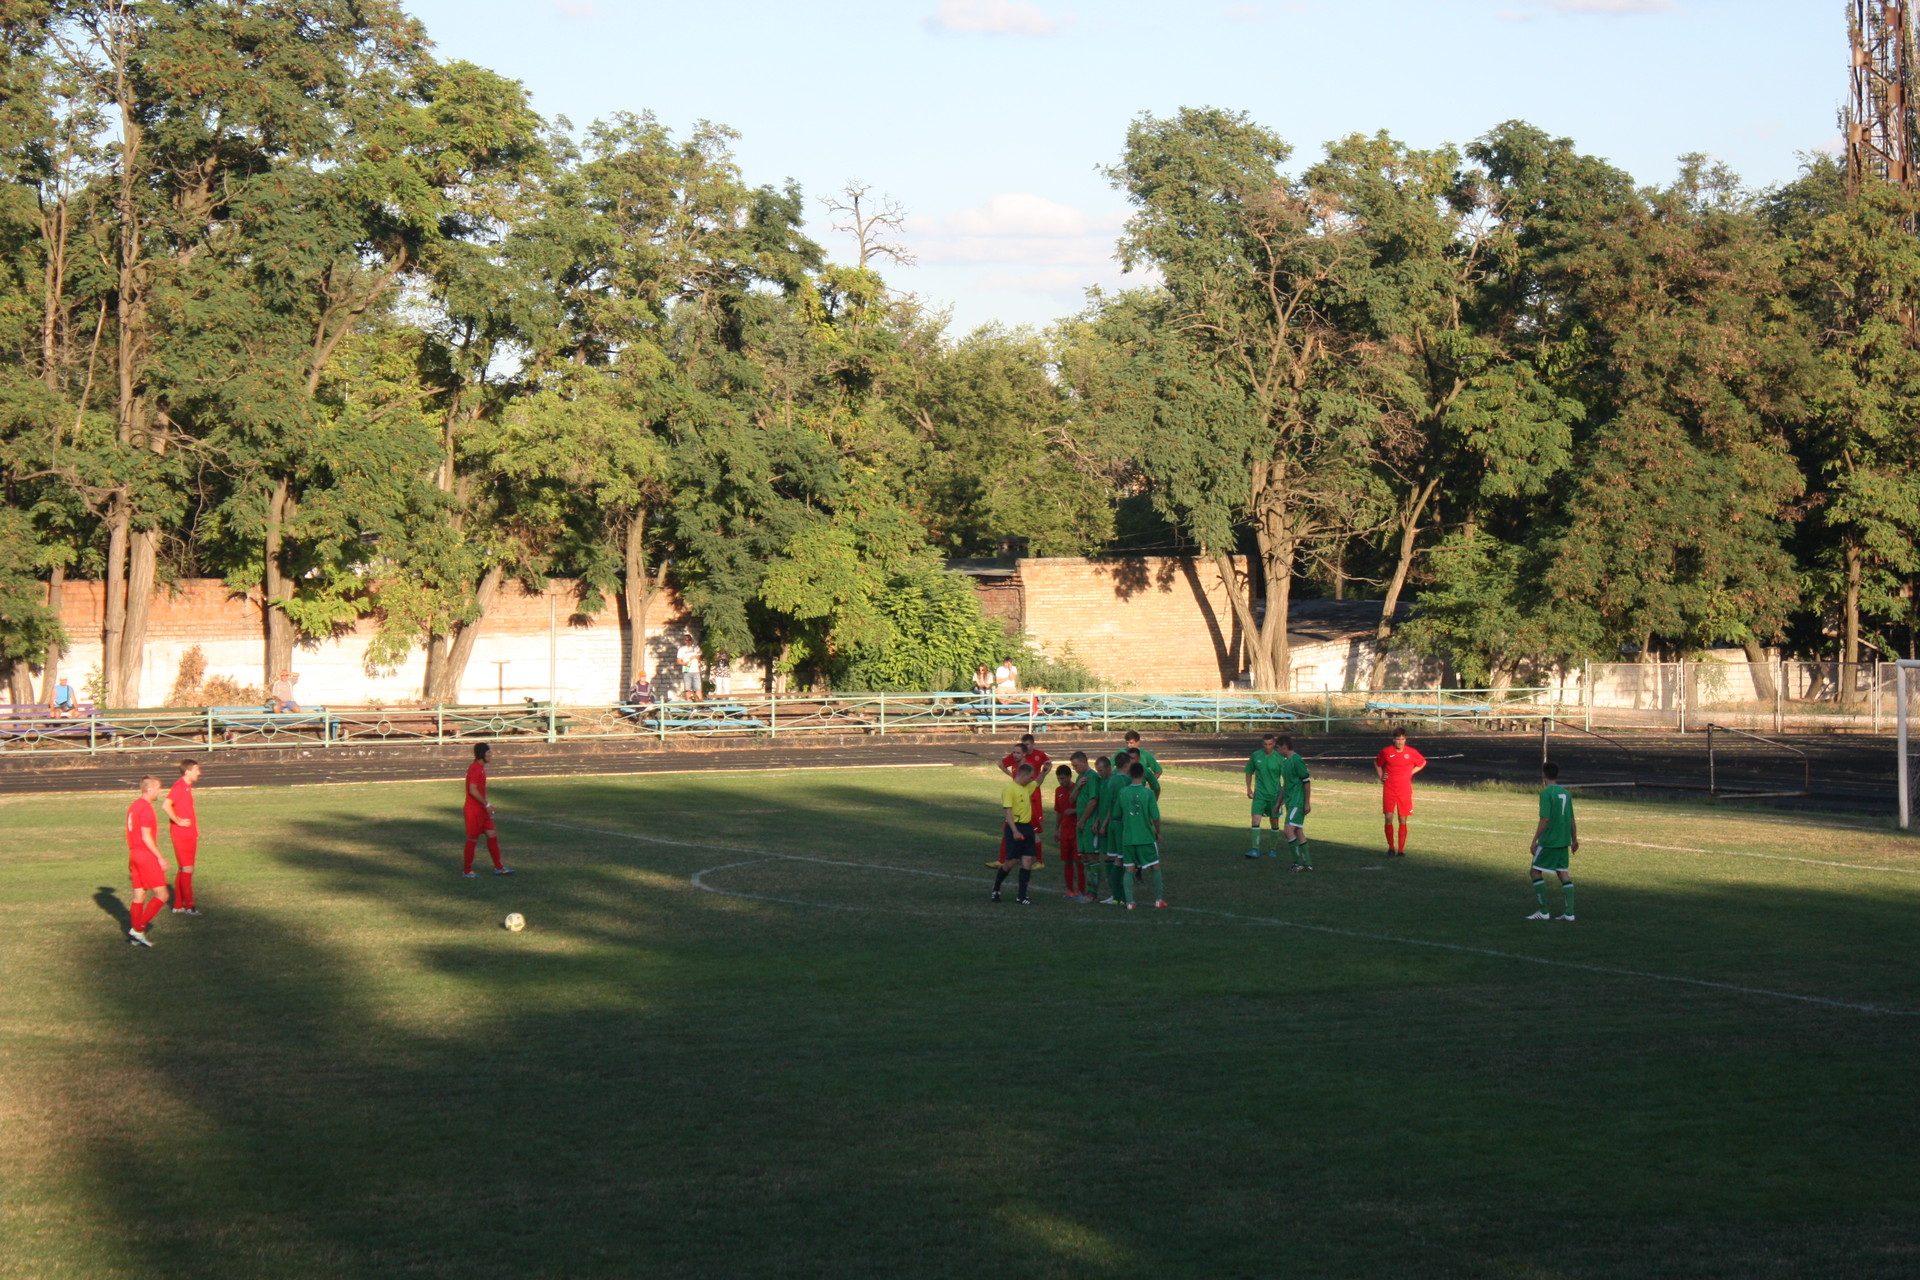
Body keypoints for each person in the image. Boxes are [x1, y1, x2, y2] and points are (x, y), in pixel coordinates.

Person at [1527, 762, 1579, 921]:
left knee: (1535, 872)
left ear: (1543, 775)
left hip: (1550, 840)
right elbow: (1571, 818)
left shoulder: (1546, 793)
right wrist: (1574, 839)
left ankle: (1543, 912)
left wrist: (1535, 840)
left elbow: (1545, 818)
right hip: (1564, 840)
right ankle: (1569, 913)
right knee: (1563, 873)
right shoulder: (1566, 793)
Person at [990, 733, 1050, 869]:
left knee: (1032, 832)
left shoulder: (1027, 769)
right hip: (1017, 804)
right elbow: (1002, 765)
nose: (1014, 755)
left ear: (1024, 754)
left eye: (1017, 753)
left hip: (1029, 803)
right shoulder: (1017, 767)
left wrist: (1044, 773)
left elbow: (1034, 784)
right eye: (1014, 753)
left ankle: (1039, 861)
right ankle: (1003, 859)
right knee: (1008, 829)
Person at [1114, 761, 1165, 909]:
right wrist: (1159, 832)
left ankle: (1130, 902)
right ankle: (1158, 900)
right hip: (1145, 837)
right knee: (1155, 866)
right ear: (1142, 774)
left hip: (1128, 838)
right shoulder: (1148, 793)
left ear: (1130, 774)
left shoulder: (1123, 792)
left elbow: (1117, 814)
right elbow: (1155, 816)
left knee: (1129, 868)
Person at [125, 776, 170, 946]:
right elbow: (146, 837)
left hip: (134, 854)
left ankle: (136, 935)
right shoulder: (146, 809)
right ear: (149, 789)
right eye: (158, 787)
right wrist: (160, 857)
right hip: (145, 855)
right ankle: (138, 929)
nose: (160, 791)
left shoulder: (134, 806)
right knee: (163, 894)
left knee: (140, 894)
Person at [1374, 727, 1428, 857]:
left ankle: (1401, 850)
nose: (1400, 742)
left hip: (1404, 789)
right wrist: (1381, 776)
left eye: (1402, 739)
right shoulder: (1387, 752)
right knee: (1388, 817)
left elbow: (1422, 762)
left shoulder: (1411, 752)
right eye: (1398, 739)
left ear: (1405, 740)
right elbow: (1377, 763)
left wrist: (1411, 772)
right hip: (1389, 788)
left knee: (1402, 819)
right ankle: (1391, 847)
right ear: (1394, 740)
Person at [994, 763, 1041, 904]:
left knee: (1027, 861)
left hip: (1027, 827)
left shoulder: (1026, 787)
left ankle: (1021, 896)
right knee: (1010, 863)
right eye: (1030, 777)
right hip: (1015, 827)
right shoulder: (1009, 789)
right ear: (1023, 775)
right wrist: (1014, 831)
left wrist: (1044, 772)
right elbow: (1007, 811)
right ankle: (996, 888)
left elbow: (1037, 783)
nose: (1031, 780)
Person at [462, 744, 512, 877]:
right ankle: (467, 871)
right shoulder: (475, 769)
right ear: (482, 754)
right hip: (474, 811)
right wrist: (487, 804)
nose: (491, 755)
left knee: (492, 834)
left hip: (481, 811)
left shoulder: (480, 768)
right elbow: (473, 790)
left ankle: (499, 867)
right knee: (472, 839)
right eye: (489, 753)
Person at [164, 758, 202, 915]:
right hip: (181, 834)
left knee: (184, 869)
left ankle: (178, 905)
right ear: (188, 772)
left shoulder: (187, 787)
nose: (199, 773)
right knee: (187, 869)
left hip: (189, 833)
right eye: (196, 770)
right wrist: (178, 821)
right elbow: (166, 805)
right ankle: (189, 906)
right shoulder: (179, 786)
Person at [1097, 749, 1133, 903]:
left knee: (1112, 858)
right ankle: (1121, 896)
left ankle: (1116, 895)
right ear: (1127, 763)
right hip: (1121, 824)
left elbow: (1110, 805)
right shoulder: (1125, 780)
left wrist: (1104, 823)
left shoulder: (1112, 780)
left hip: (1112, 823)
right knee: (1123, 860)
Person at [1244, 733, 1287, 859]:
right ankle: (1255, 849)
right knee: (1255, 819)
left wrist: (1284, 796)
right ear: (1262, 744)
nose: (1267, 747)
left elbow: (1286, 778)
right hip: (1260, 795)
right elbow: (1248, 771)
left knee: (1274, 821)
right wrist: (1248, 788)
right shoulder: (1256, 755)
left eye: (1270, 744)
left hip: (1275, 795)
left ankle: (1272, 849)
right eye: (1265, 744)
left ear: (1274, 744)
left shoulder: (1279, 758)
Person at [1275, 735, 1314, 870]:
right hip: (1291, 802)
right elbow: (1286, 785)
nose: (1276, 750)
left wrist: (1307, 803)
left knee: (1288, 830)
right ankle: (1307, 864)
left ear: (1284, 746)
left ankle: (1298, 862)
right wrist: (1278, 802)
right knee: (1298, 832)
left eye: (1277, 747)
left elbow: (1306, 782)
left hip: (1298, 802)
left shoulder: (1297, 760)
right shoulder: (1286, 763)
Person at [1052, 763, 1088, 902]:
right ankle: (1070, 889)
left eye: (1063, 778)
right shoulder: (1058, 791)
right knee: (1067, 861)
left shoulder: (1078, 789)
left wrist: (1073, 811)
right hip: (1065, 832)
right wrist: (1056, 829)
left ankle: (1082, 890)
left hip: (1077, 831)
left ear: (1069, 777)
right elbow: (1059, 812)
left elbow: (1085, 808)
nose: (1061, 782)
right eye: (1059, 779)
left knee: (1079, 861)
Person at [1117, 730, 1162, 794]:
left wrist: (1150, 785)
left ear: (1138, 742)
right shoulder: (1121, 753)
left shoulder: (1146, 755)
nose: (1129, 745)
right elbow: (1110, 767)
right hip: (1124, 790)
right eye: (1127, 743)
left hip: (1140, 791)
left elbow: (1158, 771)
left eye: (1131, 743)